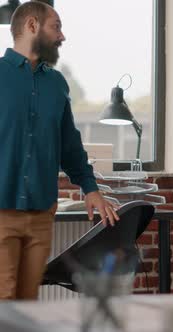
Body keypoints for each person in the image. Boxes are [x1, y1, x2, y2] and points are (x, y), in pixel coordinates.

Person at [0, 1, 119, 300]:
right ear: (31, 26)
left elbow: (69, 144)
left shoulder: (56, 84)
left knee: (27, 305)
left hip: (42, 214)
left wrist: (90, 188)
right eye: (56, 26)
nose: (62, 36)